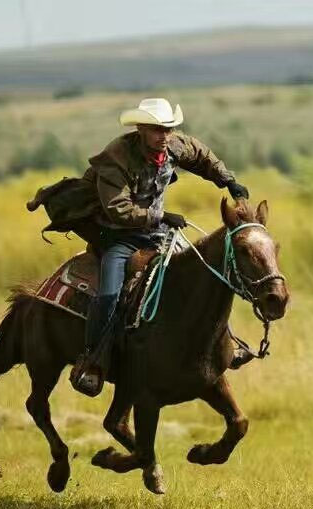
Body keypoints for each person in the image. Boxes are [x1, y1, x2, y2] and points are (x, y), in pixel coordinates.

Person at [63, 97, 250, 396]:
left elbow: (201, 156)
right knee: (110, 295)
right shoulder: (116, 157)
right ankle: (93, 360)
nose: (164, 135)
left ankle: (227, 342)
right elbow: (117, 209)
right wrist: (160, 216)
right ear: (140, 129)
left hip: (158, 234)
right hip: (118, 237)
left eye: (168, 128)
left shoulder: (173, 145)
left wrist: (228, 181)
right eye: (156, 129)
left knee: (200, 278)